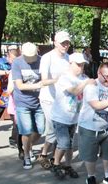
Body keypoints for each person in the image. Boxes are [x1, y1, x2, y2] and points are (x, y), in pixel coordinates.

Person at [51, 52, 93, 180]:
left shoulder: (83, 77)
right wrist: (86, 83)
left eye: (82, 65)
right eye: (78, 64)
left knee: (69, 144)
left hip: (73, 118)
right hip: (61, 117)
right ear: (71, 63)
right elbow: (74, 91)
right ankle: (56, 163)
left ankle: (68, 165)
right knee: (63, 143)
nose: (81, 67)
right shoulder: (65, 78)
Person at [78, 62, 108, 184]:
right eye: (106, 76)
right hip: (89, 126)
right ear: (98, 73)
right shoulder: (92, 86)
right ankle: (91, 176)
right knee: (90, 155)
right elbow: (96, 105)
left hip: (107, 126)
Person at [37, 31, 71, 170]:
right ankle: (44, 153)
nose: (65, 45)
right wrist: (59, 79)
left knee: (61, 128)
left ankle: (55, 157)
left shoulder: (68, 58)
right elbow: (44, 81)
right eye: (62, 43)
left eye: (67, 43)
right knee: (53, 127)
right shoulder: (47, 58)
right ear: (55, 42)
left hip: (63, 99)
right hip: (49, 99)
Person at [11, 42, 45, 170]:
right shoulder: (17, 62)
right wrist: (38, 85)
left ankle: (28, 146)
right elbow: (19, 85)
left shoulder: (41, 60)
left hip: (39, 101)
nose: (31, 60)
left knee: (40, 130)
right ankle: (26, 155)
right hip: (23, 102)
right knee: (26, 130)